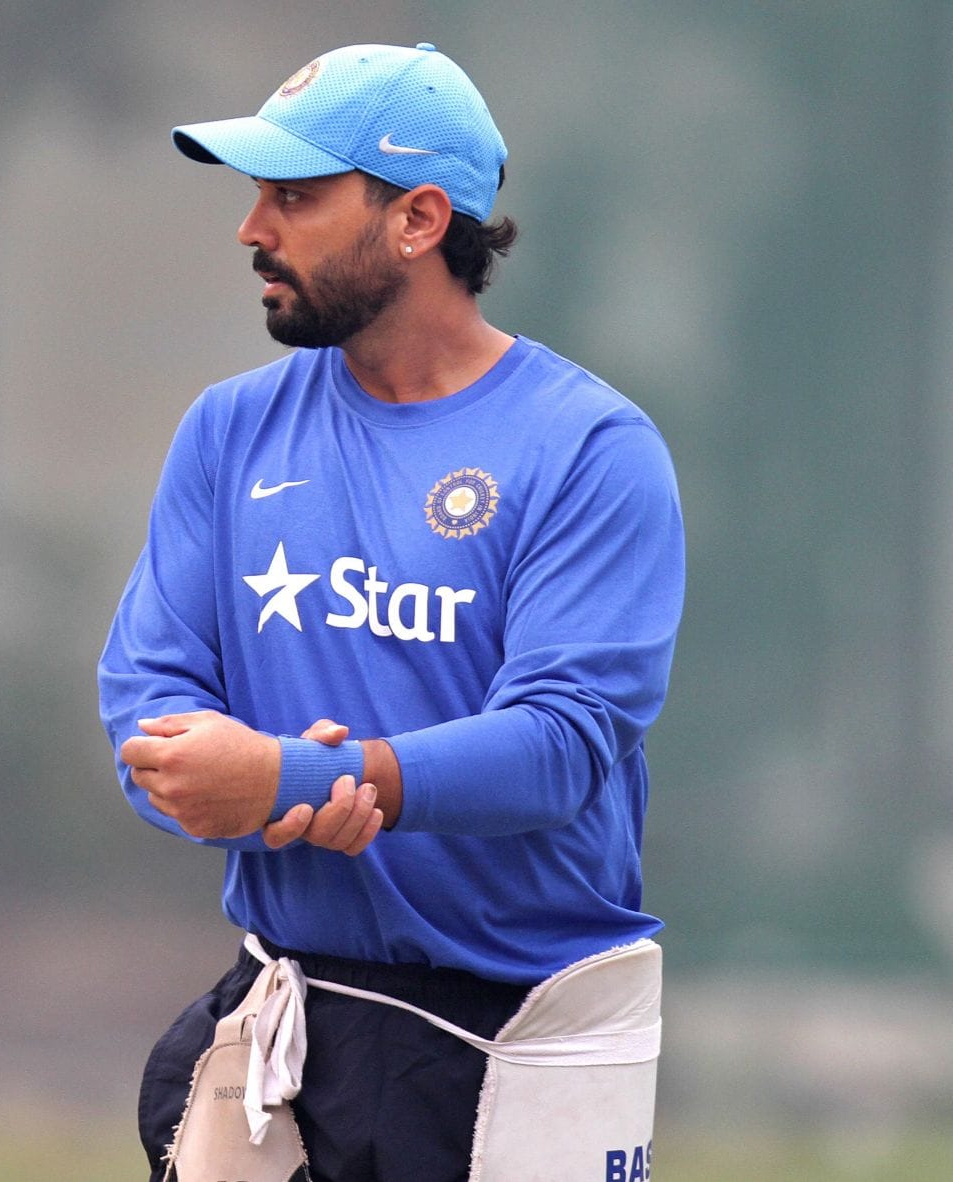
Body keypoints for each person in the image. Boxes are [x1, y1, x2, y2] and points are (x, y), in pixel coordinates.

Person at [96, 42, 685, 1182]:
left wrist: (301, 782)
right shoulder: (229, 430)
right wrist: (217, 778)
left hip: (517, 1040)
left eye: (297, 198)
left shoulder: (590, 449)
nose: (252, 228)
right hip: (290, 1022)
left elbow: (560, 746)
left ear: (419, 220)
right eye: (257, 194)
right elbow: (147, 699)